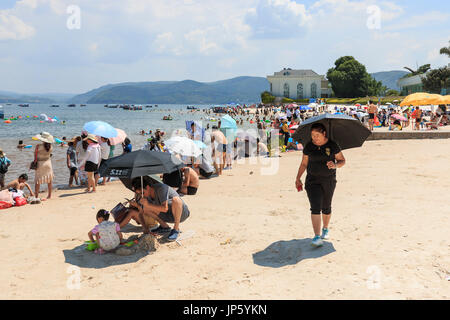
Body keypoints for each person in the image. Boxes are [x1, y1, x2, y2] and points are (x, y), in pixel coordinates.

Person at [295, 123, 346, 247]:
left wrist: (335, 165)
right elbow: (304, 164)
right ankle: (317, 236)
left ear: (324, 134)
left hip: (329, 180)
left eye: (317, 135)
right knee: (315, 206)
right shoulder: (309, 146)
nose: (314, 138)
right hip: (312, 181)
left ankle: (325, 229)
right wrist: (298, 178)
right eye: (312, 135)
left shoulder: (332, 145)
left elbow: (342, 161)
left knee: (326, 206)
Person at [33, 132, 55, 200]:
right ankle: (49, 195)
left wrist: (34, 163)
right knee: (49, 180)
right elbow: (50, 155)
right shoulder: (51, 146)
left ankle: (36, 196)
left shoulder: (38, 146)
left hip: (40, 163)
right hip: (48, 163)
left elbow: (35, 157)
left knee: (38, 180)